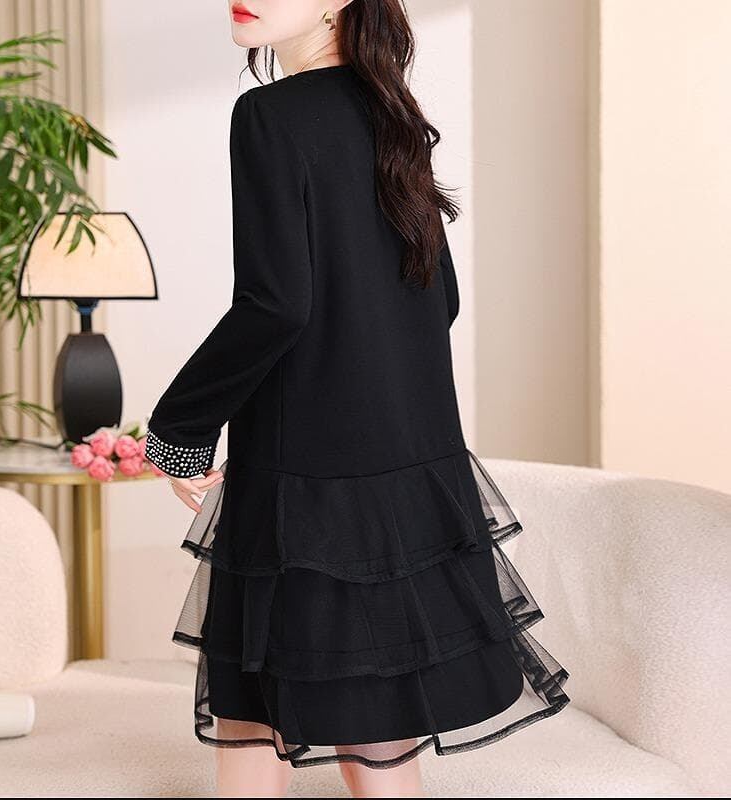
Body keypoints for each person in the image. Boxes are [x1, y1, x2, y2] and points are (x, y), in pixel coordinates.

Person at [144, 1, 570, 797]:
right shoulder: (390, 110)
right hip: (405, 472)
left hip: (297, 478)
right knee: (380, 744)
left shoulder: (269, 115)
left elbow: (276, 304)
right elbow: (439, 297)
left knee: (253, 719)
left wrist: (179, 429)